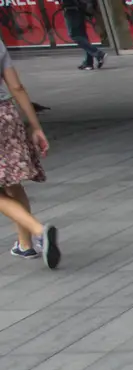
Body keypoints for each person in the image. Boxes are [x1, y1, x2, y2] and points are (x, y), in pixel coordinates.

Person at [0, 38, 59, 267]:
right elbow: (16, 87)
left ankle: (38, 230)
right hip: (6, 114)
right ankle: (25, 246)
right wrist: (36, 126)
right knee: (12, 181)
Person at [62, 0, 106, 70]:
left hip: (72, 8)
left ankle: (98, 54)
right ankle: (88, 62)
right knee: (82, 35)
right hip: (80, 8)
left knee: (74, 35)